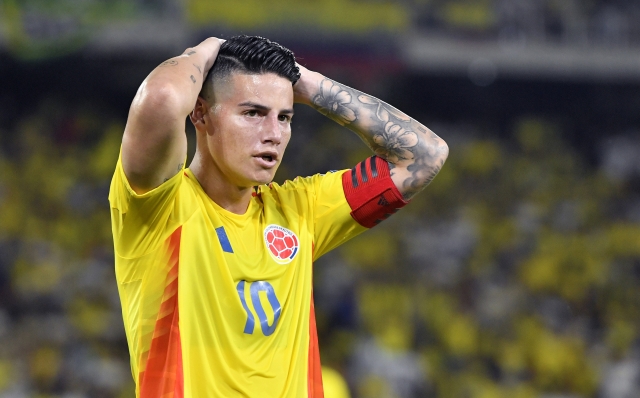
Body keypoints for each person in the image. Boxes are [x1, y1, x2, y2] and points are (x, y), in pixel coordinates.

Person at [109, 35, 448, 397]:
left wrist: (307, 82)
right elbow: (162, 99)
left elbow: (426, 155)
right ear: (201, 113)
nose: (273, 134)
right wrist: (203, 51)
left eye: (285, 117)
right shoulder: (160, 207)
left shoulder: (300, 210)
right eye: (253, 113)